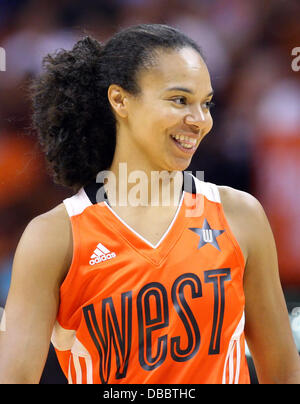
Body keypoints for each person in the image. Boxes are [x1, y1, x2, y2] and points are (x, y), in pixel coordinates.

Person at [0, 24, 299, 384]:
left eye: (206, 103)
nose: (199, 121)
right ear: (120, 100)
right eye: (179, 100)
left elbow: (283, 371)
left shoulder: (240, 215)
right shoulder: (54, 236)